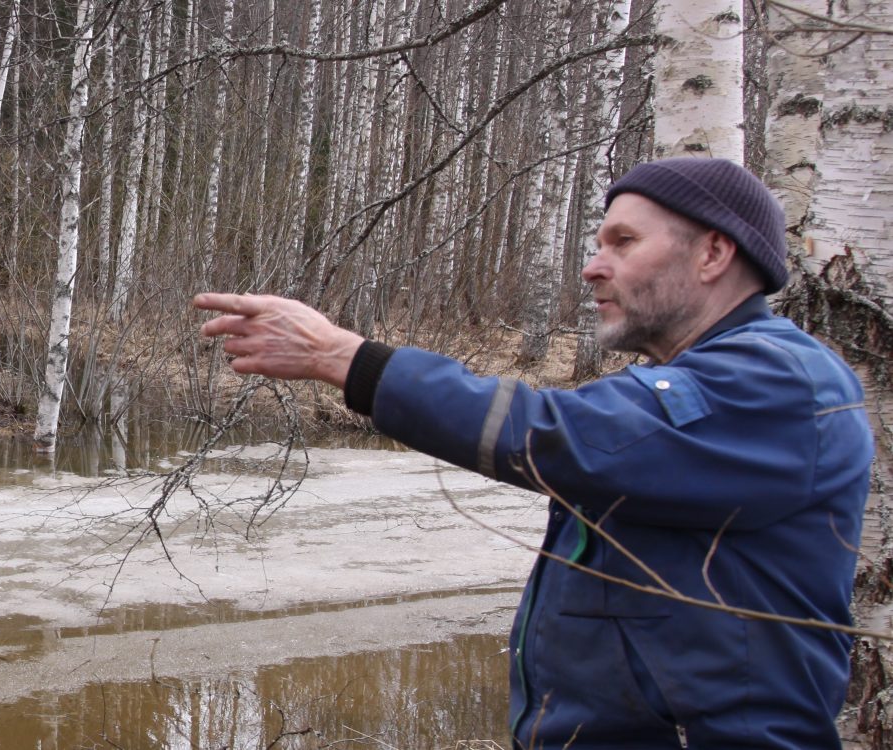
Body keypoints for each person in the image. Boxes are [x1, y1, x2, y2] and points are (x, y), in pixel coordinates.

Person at [196, 158, 874, 748]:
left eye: (624, 242)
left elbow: (557, 434)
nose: (593, 266)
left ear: (713, 255)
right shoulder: (715, 380)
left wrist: (343, 358)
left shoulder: (775, 381)